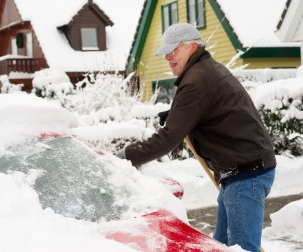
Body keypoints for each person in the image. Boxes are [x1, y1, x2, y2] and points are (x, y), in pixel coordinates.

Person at [118, 23, 276, 252]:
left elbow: (167, 139)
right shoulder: (206, 69)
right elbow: (212, 109)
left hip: (246, 175)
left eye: (174, 50)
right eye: (166, 52)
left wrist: (125, 156)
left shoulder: (196, 80)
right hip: (240, 172)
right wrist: (178, 115)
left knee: (242, 248)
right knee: (220, 245)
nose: (168, 57)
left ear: (192, 46)